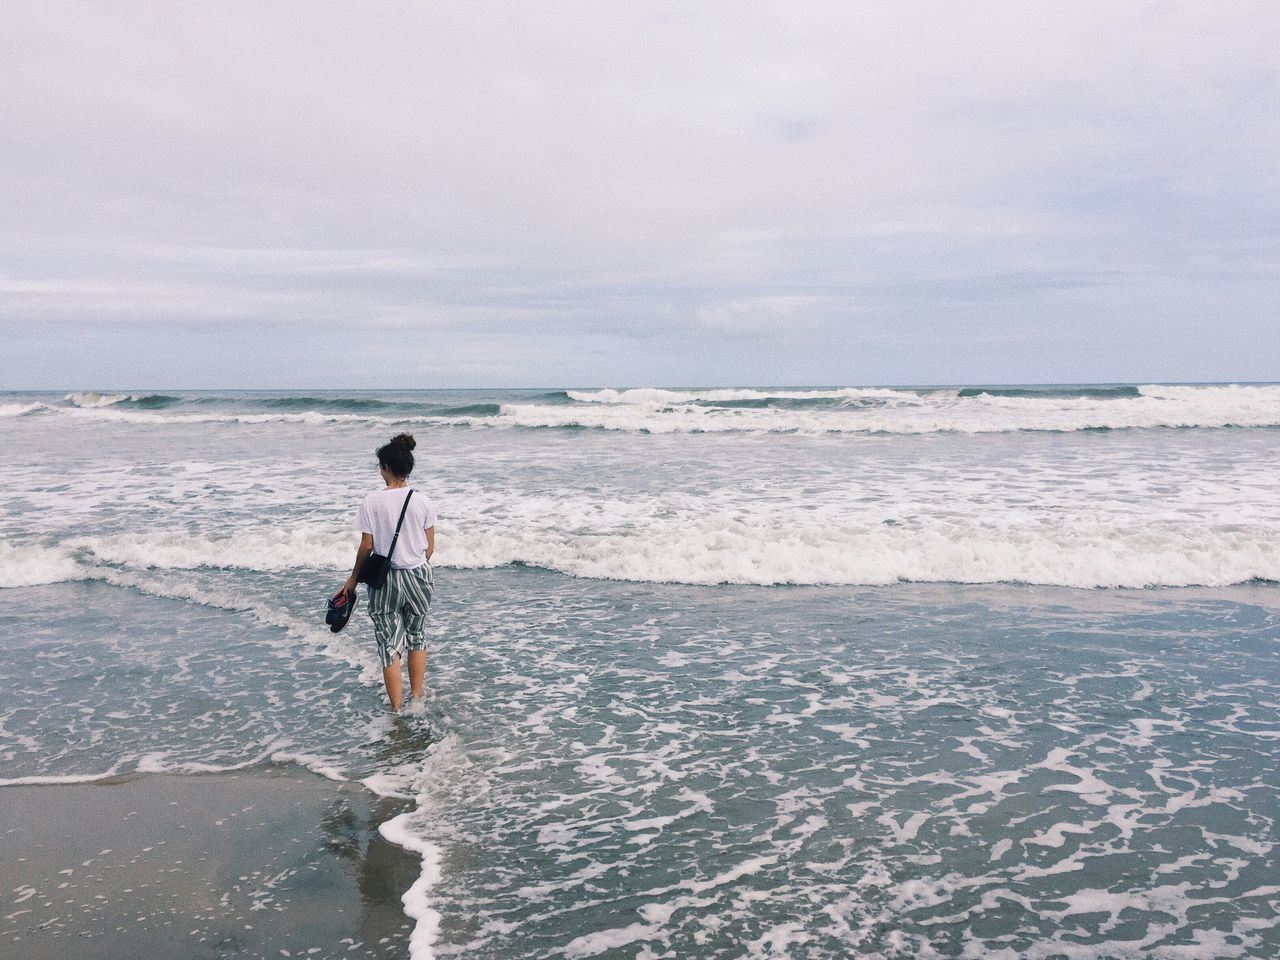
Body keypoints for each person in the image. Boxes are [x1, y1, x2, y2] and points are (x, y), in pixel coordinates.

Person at [340, 433, 437, 711]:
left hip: (387, 581)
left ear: (385, 468)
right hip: (419, 576)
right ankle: (416, 698)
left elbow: (367, 545)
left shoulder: (372, 501)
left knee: (388, 643)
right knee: (417, 636)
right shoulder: (423, 501)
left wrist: (353, 579)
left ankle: (397, 711)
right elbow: (430, 548)